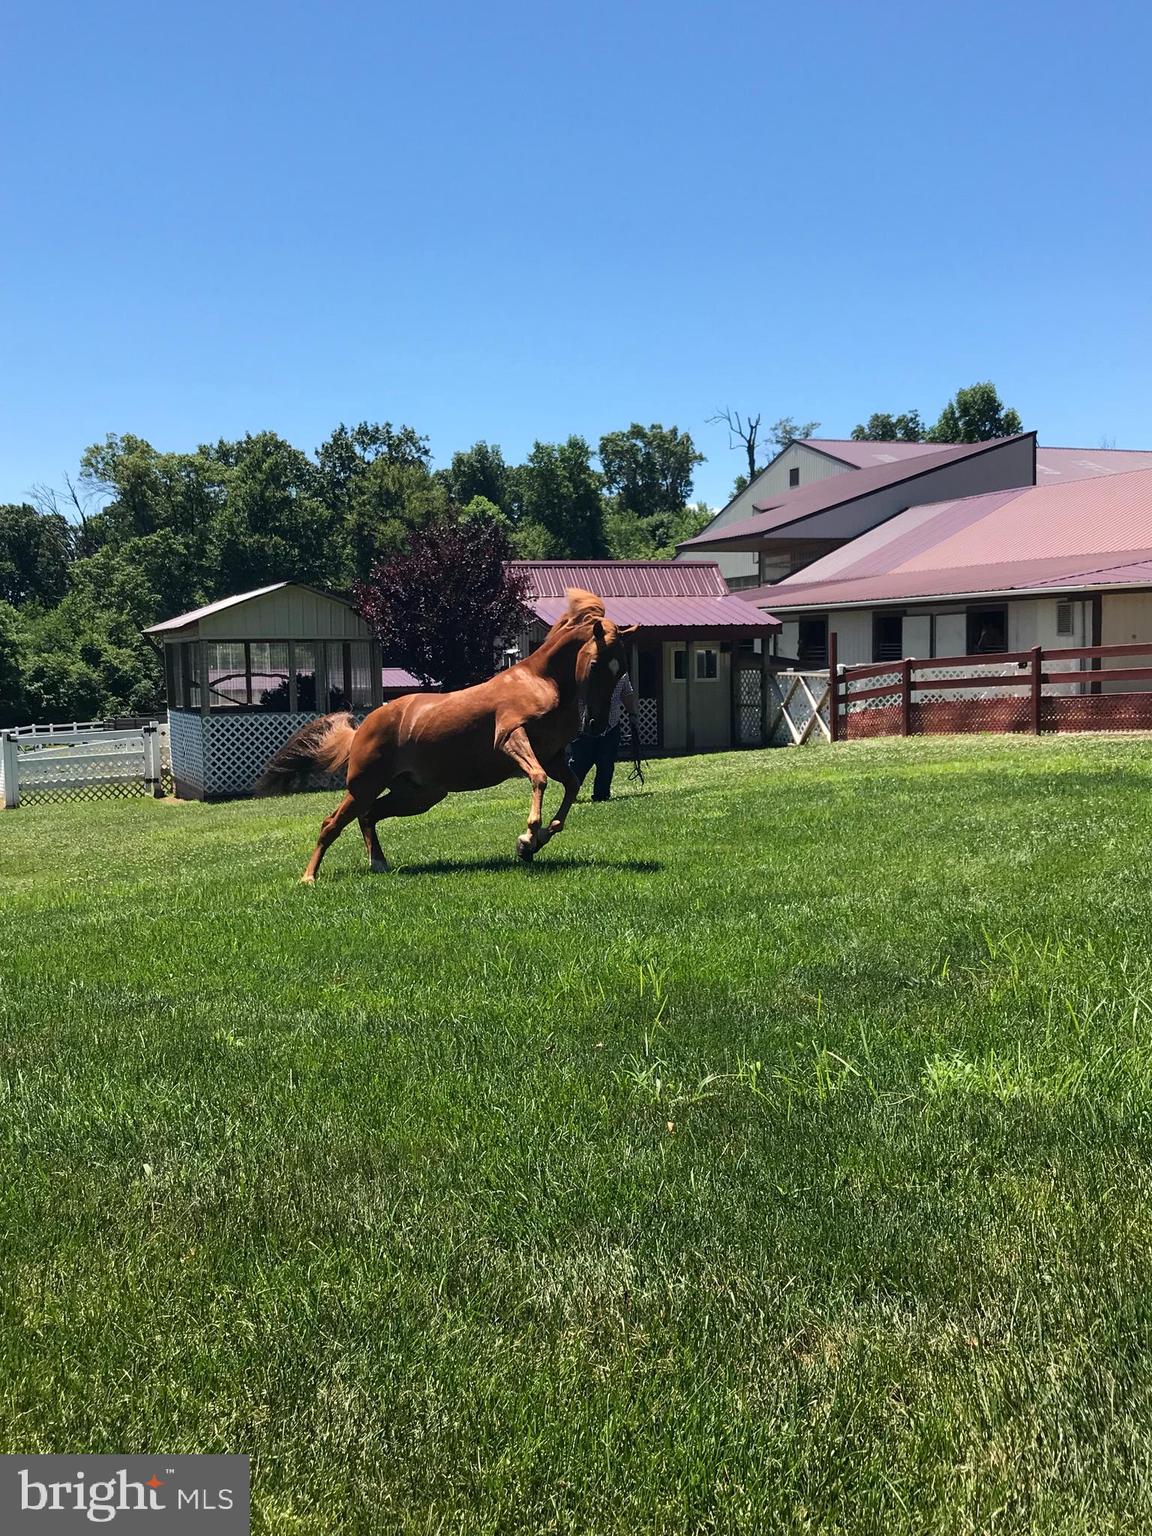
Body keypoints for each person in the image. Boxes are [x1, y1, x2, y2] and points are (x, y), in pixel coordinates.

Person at [568, 669, 638, 802]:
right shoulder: (582, 669)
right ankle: (570, 794)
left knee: (606, 764)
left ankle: (602, 796)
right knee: (578, 764)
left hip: (610, 726)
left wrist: (632, 714)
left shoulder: (620, 671)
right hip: (584, 727)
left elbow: (627, 693)